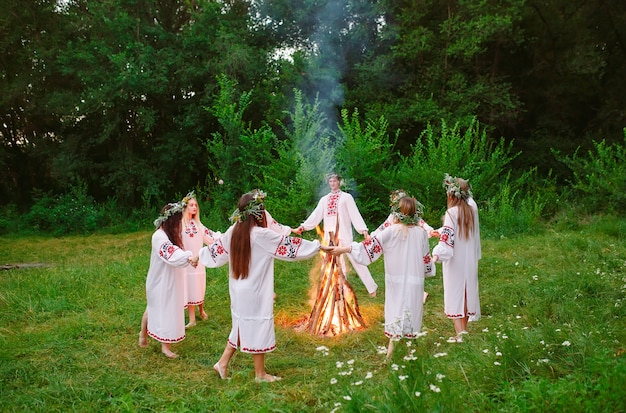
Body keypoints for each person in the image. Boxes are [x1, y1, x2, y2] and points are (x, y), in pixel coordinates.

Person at [198, 189, 321, 382]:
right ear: (258, 213)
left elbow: (215, 251)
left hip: (238, 289)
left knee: (241, 324)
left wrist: (199, 256)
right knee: (257, 325)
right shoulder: (261, 235)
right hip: (254, 291)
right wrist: (317, 246)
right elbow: (291, 247)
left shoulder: (234, 231)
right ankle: (260, 374)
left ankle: (222, 364)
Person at [324, 196, 435, 358]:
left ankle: (392, 354)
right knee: (413, 309)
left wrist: (345, 249)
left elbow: (367, 248)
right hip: (414, 281)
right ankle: (411, 351)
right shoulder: (421, 233)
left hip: (396, 281)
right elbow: (426, 258)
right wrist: (427, 271)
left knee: (396, 310)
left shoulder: (391, 231)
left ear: (398, 212)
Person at [294, 172, 378, 297]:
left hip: (344, 234)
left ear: (339, 182)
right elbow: (316, 215)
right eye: (330, 181)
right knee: (334, 262)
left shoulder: (346, 197)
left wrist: (363, 230)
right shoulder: (324, 200)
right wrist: (303, 226)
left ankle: (372, 288)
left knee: (356, 259)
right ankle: (339, 289)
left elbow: (355, 214)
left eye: (334, 181)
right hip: (330, 236)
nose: (332, 183)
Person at [139, 200, 198, 358]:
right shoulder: (159, 236)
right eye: (178, 220)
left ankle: (145, 337)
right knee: (157, 309)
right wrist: (189, 257)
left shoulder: (173, 235)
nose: (181, 223)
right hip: (159, 281)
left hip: (170, 280)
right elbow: (171, 254)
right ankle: (160, 344)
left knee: (161, 308)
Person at [432, 174, 481, 344]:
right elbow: (458, 232)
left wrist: (436, 254)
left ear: (451, 195)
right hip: (469, 260)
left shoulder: (451, 213)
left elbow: (447, 242)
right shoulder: (472, 210)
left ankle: (460, 335)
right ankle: (463, 331)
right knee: (466, 293)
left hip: (455, 261)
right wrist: (442, 230)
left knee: (455, 294)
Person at [371, 189, 441, 304]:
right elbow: (383, 227)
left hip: (410, 244)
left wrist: (430, 230)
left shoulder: (413, 216)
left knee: (411, 268)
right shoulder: (393, 217)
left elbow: (422, 223)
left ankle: (419, 293)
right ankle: (402, 296)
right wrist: (373, 235)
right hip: (397, 247)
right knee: (401, 270)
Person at [181, 191, 220, 328]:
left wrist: (222, 239)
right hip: (187, 262)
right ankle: (192, 319)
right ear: (185, 207)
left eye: (196, 205)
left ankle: (201, 310)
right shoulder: (180, 225)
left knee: (200, 286)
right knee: (190, 286)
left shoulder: (198, 225)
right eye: (191, 205)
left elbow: (210, 237)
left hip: (199, 261)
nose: (194, 208)